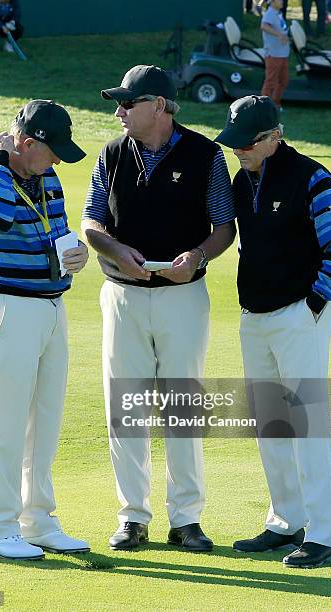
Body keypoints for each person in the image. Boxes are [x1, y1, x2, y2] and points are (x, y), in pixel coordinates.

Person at [82, 65, 236, 552]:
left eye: (129, 103)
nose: (119, 111)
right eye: (119, 103)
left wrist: (198, 256)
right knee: (124, 407)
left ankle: (186, 518)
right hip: (122, 295)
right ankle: (133, 516)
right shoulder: (110, 153)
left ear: (160, 107)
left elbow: (224, 225)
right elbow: (92, 222)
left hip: (183, 296)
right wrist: (114, 250)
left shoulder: (205, 155)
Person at [215, 95, 331, 569]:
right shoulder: (240, 178)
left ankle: (323, 533)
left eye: (248, 143)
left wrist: (316, 301)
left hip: (300, 313)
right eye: (235, 143)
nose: (240, 151)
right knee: (271, 425)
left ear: (274, 137)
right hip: (254, 315)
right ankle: (286, 522)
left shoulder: (313, 177)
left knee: (306, 427)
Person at [0, 100, 91, 560]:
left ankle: (37, 521)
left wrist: (75, 255)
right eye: (52, 151)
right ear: (26, 142)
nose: (57, 161)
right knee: (8, 422)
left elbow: (57, 230)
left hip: (52, 307)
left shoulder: (46, 177)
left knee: (45, 422)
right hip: (8, 309)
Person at [260, 0, 290, 110]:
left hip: (282, 53)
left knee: (283, 81)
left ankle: (275, 104)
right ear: (272, 2)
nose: (282, 1)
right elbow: (263, 26)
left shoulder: (278, 13)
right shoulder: (270, 13)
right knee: (270, 82)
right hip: (273, 54)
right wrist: (279, 35)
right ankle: (264, 108)